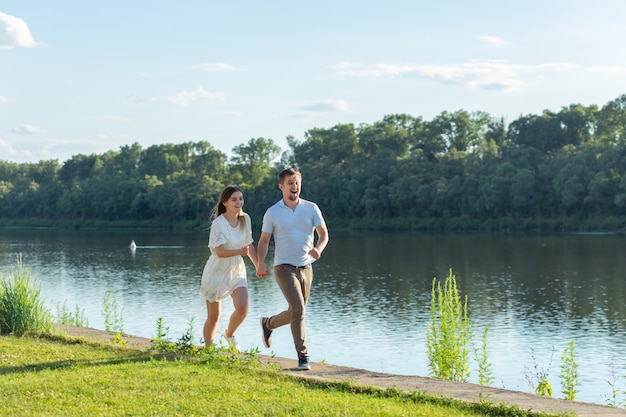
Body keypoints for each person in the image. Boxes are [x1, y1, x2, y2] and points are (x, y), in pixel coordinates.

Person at [256, 167, 329, 370]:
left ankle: (268, 324)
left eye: (297, 182)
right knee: (298, 310)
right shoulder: (272, 212)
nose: (294, 186)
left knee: (297, 311)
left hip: (306, 267)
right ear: (282, 186)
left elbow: (324, 235)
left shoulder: (311, 208)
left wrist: (319, 249)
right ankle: (303, 356)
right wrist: (261, 262)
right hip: (284, 267)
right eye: (290, 183)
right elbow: (263, 242)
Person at [200, 185, 258, 351]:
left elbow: (249, 245)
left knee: (243, 309)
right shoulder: (218, 223)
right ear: (225, 203)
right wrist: (239, 251)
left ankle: (229, 334)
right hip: (217, 270)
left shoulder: (245, 219)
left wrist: (258, 266)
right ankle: (209, 350)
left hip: (236, 269)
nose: (238, 202)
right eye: (234, 199)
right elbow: (219, 252)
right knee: (214, 316)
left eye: (240, 198)